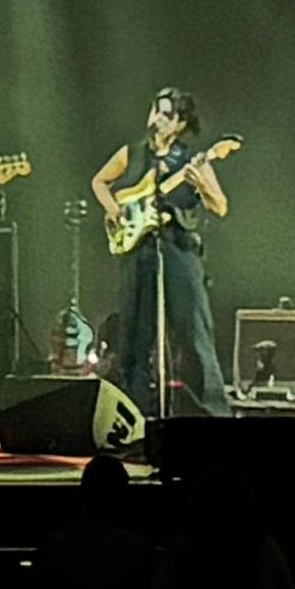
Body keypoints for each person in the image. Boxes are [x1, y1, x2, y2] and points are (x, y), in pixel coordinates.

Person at [91, 87, 229, 423]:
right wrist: (114, 210)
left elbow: (220, 206)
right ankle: (135, 414)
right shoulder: (133, 153)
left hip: (178, 249)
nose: (158, 119)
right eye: (156, 111)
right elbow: (99, 182)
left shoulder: (191, 160)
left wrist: (203, 184)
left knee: (193, 332)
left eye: (167, 114)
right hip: (138, 251)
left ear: (180, 123)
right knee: (134, 336)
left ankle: (212, 415)